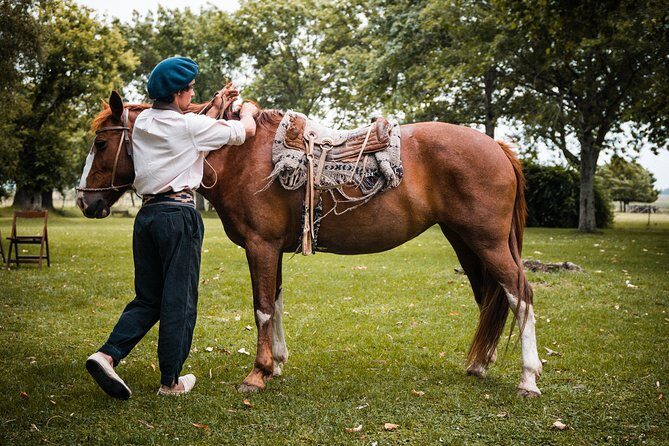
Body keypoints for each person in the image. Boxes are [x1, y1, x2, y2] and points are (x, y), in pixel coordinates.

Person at [86, 56, 258, 398]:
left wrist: (216, 102)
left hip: (147, 218)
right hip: (179, 217)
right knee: (179, 300)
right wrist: (247, 109)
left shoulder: (145, 121)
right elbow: (245, 132)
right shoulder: (188, 128)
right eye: (190, 89)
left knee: (148, 298)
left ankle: (106, 355)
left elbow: (192, 127)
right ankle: (171, 381)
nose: (192, 93)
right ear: (179, 94)